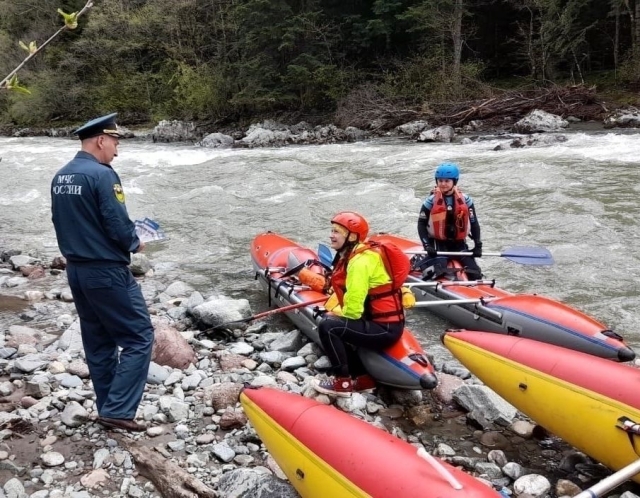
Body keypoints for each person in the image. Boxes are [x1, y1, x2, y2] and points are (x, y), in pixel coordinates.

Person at [50, 113, 154, 432]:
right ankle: (119, 410)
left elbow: (60, 222)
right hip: (106, 271)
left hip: (77, 271)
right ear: (101, 140)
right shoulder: (102, 175)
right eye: (115, 142)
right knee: (139, 336)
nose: (117, 150)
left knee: (98, 341)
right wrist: (136, 242)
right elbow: (116, 223)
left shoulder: (61, 175)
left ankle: (108, 406)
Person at [313, 212, 405, 396]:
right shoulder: (360, 253)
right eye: (332, 230)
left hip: (385, 329)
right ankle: (364, 380)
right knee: (336, 322)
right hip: (385, 324)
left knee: (328, 326)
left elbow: (353, 310)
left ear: (352, 236)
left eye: (337, 232)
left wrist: (334, 316)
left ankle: (343, 383)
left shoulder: (360, 262)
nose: (331, 235)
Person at [417, 162, 483, 280]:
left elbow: (474, 223)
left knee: (475, 274)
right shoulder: (430, 201)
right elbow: (421, 224)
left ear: (454, 182)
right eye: (440, 181)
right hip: (438, 245)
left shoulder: (466, 200)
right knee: (437, 272)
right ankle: (421, 260)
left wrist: (478, 245)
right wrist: (427, 245)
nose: (443, 184)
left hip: (459, 245)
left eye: (447, 181)